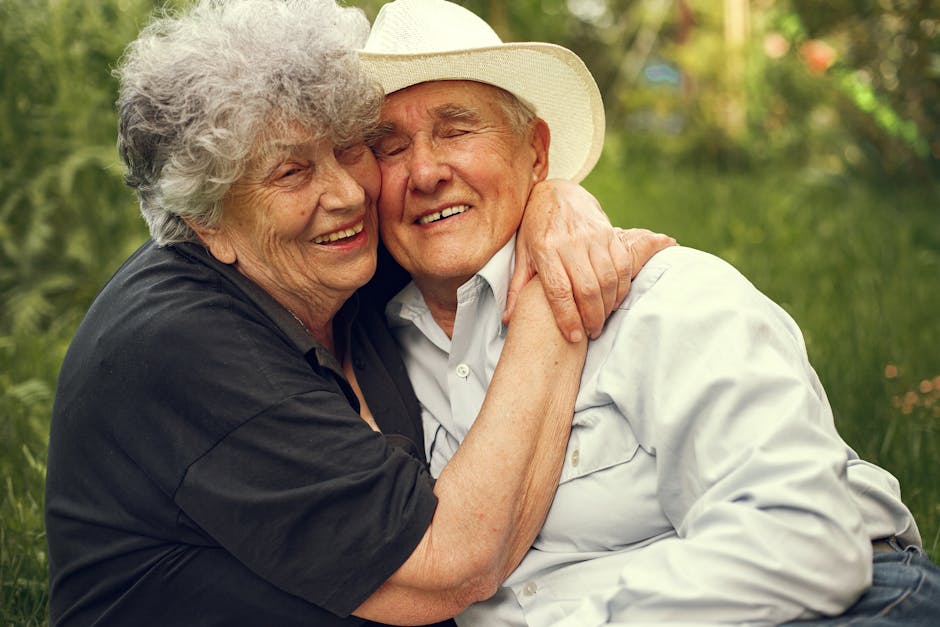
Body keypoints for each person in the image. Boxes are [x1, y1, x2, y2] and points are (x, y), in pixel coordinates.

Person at [42, 1, 674, 626]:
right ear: (207, 222)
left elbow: (474, 213)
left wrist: (555, 201)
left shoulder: (334, 263)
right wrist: (550, 298)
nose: (347, 194)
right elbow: (450, 565)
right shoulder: (183, 344)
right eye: (291, 172)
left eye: (350, 148)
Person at [358, 0, 940, 624]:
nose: (423, 171)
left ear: (535, 152)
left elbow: (803, 538)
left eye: (456, 130)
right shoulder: (373, 353)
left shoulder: (663, 296)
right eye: (389, 148)